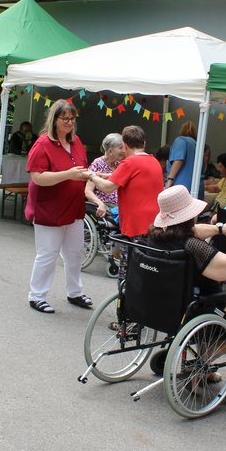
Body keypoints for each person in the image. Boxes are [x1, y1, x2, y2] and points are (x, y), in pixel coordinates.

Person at [25, 100, 92, 314]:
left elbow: (82, 169)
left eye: (73, 119)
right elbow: (38, 177)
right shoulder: (43, 144)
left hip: (73, 207)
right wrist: (68, 175)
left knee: (75, 252)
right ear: (55, 120)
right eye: (65, 119)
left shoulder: (76, 142)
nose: (70, 123)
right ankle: (37, 295)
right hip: (50, 208)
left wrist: (95, 177)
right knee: (48, 253)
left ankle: (74, 292)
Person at [148, 185, 226, 289]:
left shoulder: (155, 236)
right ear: (189, 216)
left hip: (165, 296)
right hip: (196, 300)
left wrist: (220, 229)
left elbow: (195, 230)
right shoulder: (192, 245)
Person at [88, 125, 164, 284]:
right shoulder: (154, 161)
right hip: (154, 225)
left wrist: (92, 176)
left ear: (126, 145)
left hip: (134, 227)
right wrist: (106, 175)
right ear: (144, 142)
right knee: (145, 271)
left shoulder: (129, 163)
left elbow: (108, 187)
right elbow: (131, 177)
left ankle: (124, 305)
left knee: (127, 275)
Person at [85, 133, 125, 218]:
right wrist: (100, 203)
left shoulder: (120, 164)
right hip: (107, 208)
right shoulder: (97, 164)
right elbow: (88, 191)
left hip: (121, 208)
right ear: (110, 151)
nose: (124, 151)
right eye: (120, 148)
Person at [165, 121, 201, 194]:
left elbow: (178, 160)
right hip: (197, 186)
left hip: (182, 186)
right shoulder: (197, 145)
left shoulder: (181, 140)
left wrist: (169, 180)